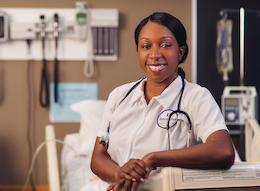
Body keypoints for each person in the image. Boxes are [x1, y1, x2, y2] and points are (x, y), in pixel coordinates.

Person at [89, 12, 235, 191]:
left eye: (165, 45)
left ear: (180, 52)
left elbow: (224, 151)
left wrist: (153, 158)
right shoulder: (120, 96)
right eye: (146, 46)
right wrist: (120, 174)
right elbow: (98, 157)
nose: (154, 54)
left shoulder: (196, 97)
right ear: (138, 52)